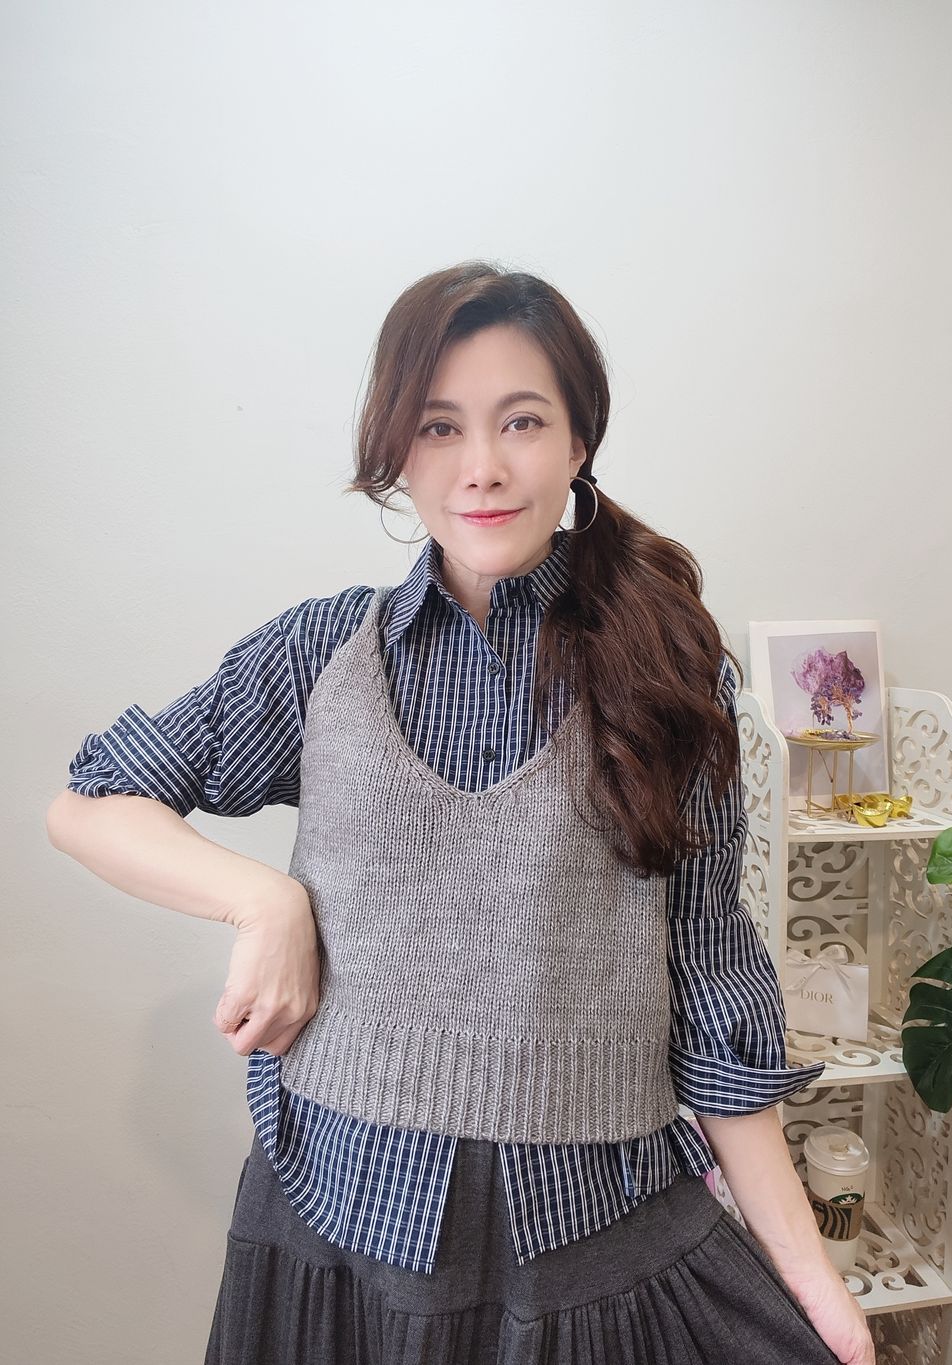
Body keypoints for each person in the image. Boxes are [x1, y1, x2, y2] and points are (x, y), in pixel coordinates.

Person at [47, 261, 874, 1365]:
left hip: (587, 1249)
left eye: (521, 421)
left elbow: (710, 985)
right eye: (439, 427)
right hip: (335, 1239)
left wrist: (811, 1277)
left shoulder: (671, 673)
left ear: (578, 441)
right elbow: (92, 802)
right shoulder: (320, 656)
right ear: (399, 449)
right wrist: (263, 901)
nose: (481, 466)